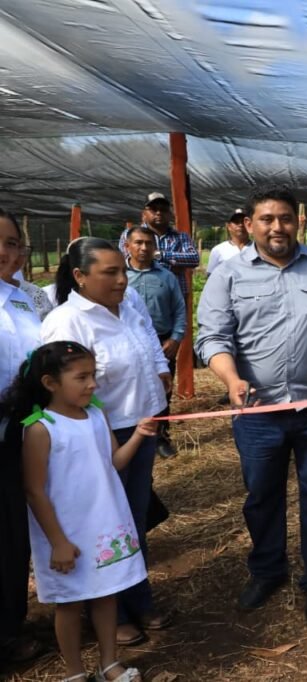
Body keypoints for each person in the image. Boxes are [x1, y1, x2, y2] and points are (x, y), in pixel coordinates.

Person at [196, 186, 307, 625]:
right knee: (262, 495)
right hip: (258, 411)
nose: (277, 227)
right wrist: (231, 379)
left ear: (298, 221)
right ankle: (267, 570)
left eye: (285, 218)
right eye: (266, 219)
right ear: (249, 224)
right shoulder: (228, 275)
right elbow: (213, 337)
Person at [41, 237, 173, 646]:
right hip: (102, 436)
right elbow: (61, 390)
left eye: (122, 271)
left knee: (133, 520)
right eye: (110, 273)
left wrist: (159, 383)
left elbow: (148, 346)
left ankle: (137, 599)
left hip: (142, 427)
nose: (121, 280)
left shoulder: (128, 305)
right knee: (104, 526)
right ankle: (109, 614)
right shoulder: (67, 322)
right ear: (80, 276)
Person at [5, 341, 157, 682]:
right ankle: (74, 672)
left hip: (104, 524)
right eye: (82, 377)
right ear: (50, 383)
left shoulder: (97, 414)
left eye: (93, 375)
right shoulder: (40, 428)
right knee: (70, 602)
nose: (92, 384)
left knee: (106, 594)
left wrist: (138, 435)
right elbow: (34, 490)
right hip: (67, 533)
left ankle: (109, 663)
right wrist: (58, 542)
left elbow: (115, 461)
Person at [0, 207, 44, 664]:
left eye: (11, 243)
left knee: (12, 534)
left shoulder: (27, 298)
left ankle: (9, 629)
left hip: (18, 431)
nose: (3, 251)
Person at [125, 226, 186, 459]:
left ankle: (161, 437)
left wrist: (176, 338)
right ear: (127, 246)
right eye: (138, 243)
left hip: (162, 343)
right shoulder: (120, 276)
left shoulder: (167, 277)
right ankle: (131, 434)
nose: (144, 248)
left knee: (163, 390)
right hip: (129, 343)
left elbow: (179, 309)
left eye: (149, 243)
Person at [118, 192, 199, 297]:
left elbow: (194, 259)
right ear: (144, 214)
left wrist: (160, 255)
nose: (159, 213)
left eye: (163, 209)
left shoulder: (181, 236)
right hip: (139, 293)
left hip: (175, 294)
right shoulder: (129, 234)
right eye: (153, 209)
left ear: (170, 214)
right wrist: (171, 266)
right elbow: (127, 262)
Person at [206, 208, 250, 276]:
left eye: (243, 222)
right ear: (229, 226)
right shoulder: (218, 250)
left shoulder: (259, 249)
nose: (240, 225)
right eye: (236, 222)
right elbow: (210, 276)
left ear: (249, 225)